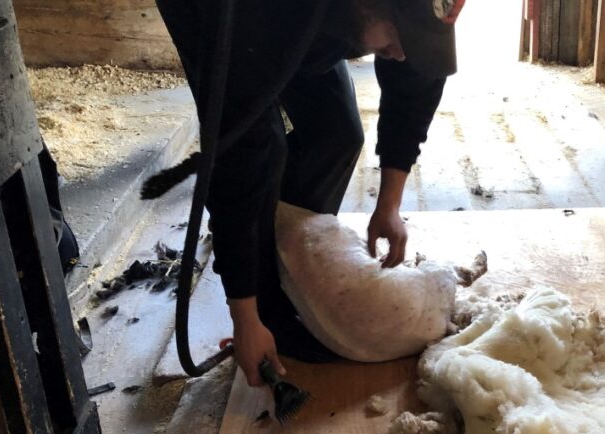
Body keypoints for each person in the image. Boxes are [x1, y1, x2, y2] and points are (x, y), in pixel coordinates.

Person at [154, 0, 463, 386]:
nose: (400, 52)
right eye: (398, 35)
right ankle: (266, 305)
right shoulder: (263, 19)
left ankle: (292, 267)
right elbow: (237, 158)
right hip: (226, 14)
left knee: (337, 137)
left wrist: (389, 205)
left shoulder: (381, 20)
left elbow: (416, 75)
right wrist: (244, 315)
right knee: (264, 149)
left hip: (322, 13)